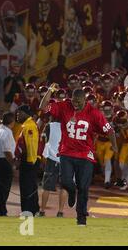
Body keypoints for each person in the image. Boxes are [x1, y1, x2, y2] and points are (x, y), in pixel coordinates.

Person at [39, 84, 118, 226]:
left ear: (85, 101)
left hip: (85, 154)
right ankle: (71, 192)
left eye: (78, 102)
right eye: (74, 101)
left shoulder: (94, 113)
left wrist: (115, 145)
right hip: (67, 152)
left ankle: (81, 217)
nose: (75, 104)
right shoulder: (64, 106)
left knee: (83, 186)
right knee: (65, 182)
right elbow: (43, 107)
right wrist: (50, 91)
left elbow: (110, 130)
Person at [37, 118, 66, 217]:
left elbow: (44, 141)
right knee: (64, 187)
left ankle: (42, 211)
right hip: (66, 160)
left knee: (46, 187)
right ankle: (60, 212)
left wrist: (42, 157)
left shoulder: (50, 125)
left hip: (52, 159)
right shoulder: (71, 125)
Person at [15, 105, 40, 215]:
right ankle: (33, 209)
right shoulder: (27, 125)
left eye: (19, 113)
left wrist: (30, 162)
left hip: (29, 160)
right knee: (30, 186)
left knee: (27, 187)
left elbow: (31, 145)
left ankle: (28, 210)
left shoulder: (29, 126)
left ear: (25, 113)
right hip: (29, 160)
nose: (17, 115)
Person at [0, 112, 16, 216]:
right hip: (4, 162)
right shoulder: (7, 132)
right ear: (12, 121)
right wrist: (13, 164)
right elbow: (7, 151)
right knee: (3, 189)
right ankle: (0, 211)